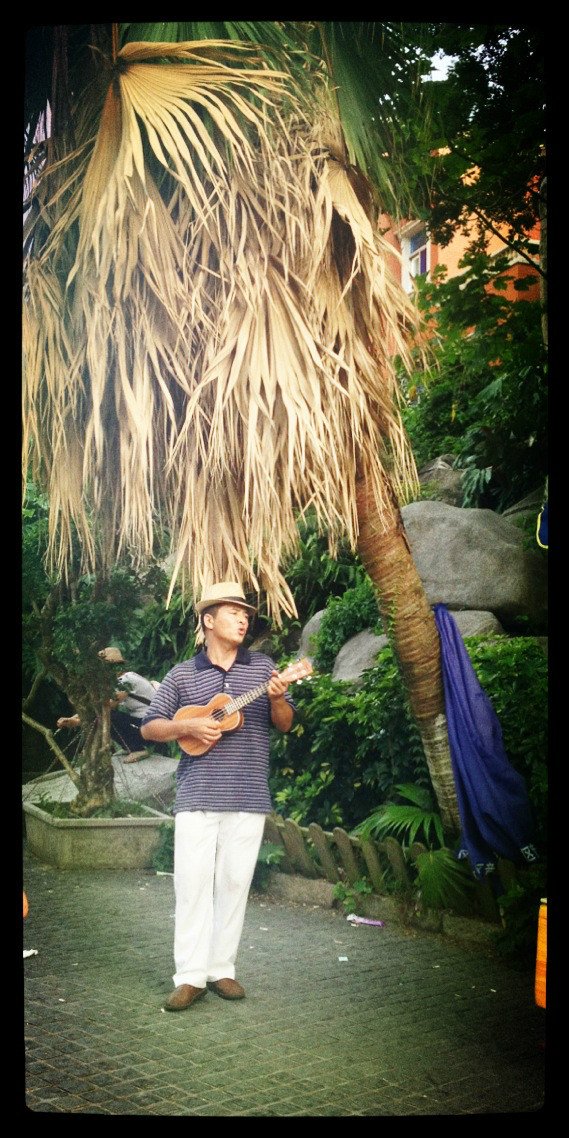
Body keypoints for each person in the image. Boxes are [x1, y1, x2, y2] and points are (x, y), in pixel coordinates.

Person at [140, 581, 295, 1011]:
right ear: (208, 620)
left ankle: (221, 969)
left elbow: (285, 723)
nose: (243, 620)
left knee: (234, 884)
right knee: (192, 886)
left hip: (248, 792)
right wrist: (187, 726)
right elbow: (150, 726)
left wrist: (278, 698)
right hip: (197, 794)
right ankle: (189, 976)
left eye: (246, 615)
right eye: (233, 613)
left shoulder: (263, 668)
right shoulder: (182, 674)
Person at [56, 647, 165, 762]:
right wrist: (73, 718)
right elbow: (98, 706)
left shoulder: (126, 681)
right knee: (110, 715)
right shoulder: (127, 677)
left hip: (152, 728)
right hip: (150, 726)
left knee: (109, 715)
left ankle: (137, 749)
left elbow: (105, 707)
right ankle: (129, 746)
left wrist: (76, 721)